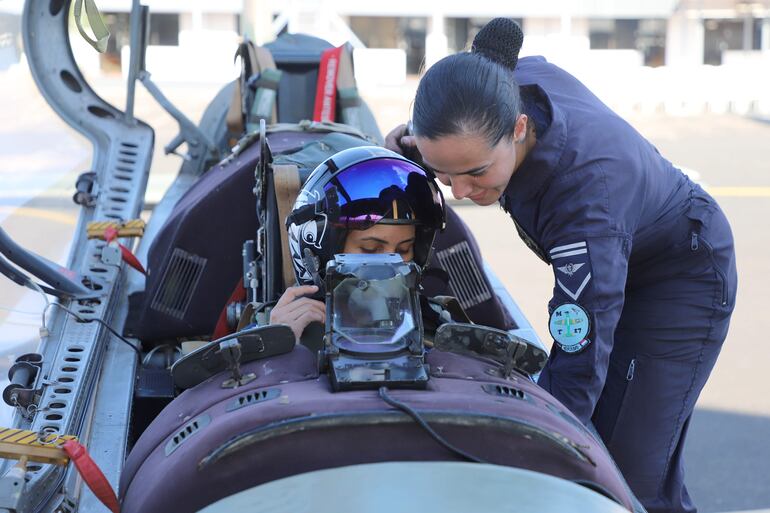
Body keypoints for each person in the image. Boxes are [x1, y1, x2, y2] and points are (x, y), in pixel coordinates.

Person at [385, 18, 736, 513]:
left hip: (678, 279)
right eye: (444, 174)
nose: (459, 192)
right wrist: (410, 153)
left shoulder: (587, 199)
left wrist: (524, 455)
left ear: (519, 127)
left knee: (628, 477)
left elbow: (577, 360)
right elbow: (451, 112)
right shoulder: (494, 85)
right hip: (621, 253)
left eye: (476, 173)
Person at [270, 146, 446, 342]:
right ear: (322, 252)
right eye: (370, 249)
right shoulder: (279, 328)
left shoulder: (439, 328)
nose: (391, 265)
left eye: (403, 249)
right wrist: (277, 344)